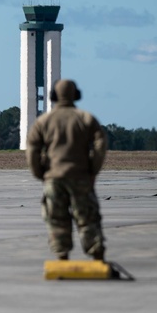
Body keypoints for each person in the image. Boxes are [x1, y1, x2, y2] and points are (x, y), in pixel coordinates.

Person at [26, 79, 108, 262]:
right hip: (80, 177)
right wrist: (92, 170)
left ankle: (62, 256)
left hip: (53, 178)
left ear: (53, 96)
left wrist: (40, 173)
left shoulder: (43, 121)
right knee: (87, 218)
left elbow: (32, 149)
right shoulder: (86, 118)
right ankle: (97, 254)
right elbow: (100, 144)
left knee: (56, 219)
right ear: (75, 95)